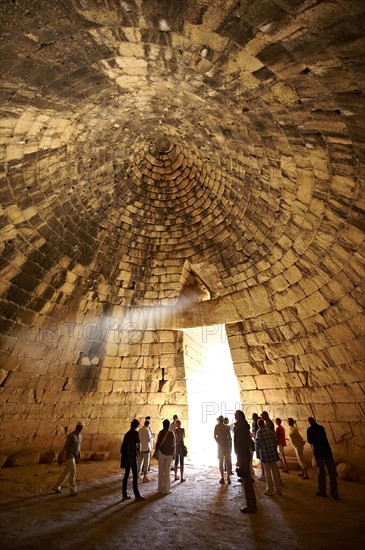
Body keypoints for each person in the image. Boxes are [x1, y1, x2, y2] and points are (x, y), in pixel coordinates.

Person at [307, 417, 338, 499]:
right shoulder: (321, 427)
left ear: (309, 422)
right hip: (327, 452)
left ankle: (322, 491)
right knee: (332, 473)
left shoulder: (309, 430)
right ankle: (334, 493)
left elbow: (310, 441)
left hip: (319, 453)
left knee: (321, 473)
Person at [53, 420, 84, 496]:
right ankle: (72, 490)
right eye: (81, 427)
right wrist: (61, 456)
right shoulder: (71, 435)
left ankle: (56, 487)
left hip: (75, 455)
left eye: (82, 428)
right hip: (70, 455)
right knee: (73, 471)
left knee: (66, 473)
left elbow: (79, 445)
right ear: (77, 427)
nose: (82, 429)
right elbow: (65, 446)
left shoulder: (80, 435)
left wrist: (79, 454)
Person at [234, 410, 257, 514]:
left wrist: (239, 457)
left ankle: (251, 505)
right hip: (244, 454)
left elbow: (241, 443)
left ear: (239, 415)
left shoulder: (241, 426)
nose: (234, 415)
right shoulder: (243, 425)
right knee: (246, 478)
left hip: (242, 455)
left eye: (236, 414)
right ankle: (252, 504)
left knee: (246, 479)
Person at [120, 419, 146, 502]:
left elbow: (122, 448)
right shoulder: (135, 433)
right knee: (135, 475)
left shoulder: (127, 434)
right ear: (137, 426)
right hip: (132, 457)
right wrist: (137, 455)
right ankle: (137, 495)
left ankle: (124, 494)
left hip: (127, 457)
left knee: (126, 475)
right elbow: (138, 445)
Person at [255, 419, 281, 496]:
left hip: (265, 455)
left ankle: (270, 490)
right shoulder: (269, 431)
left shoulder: (259, 432)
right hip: (273, 455)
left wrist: (255, 441)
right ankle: (278, 490)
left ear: (259, 425)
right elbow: (276, 441)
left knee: (267, 473)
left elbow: (258, 443)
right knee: (275, 472)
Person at [154, 419, 176, 495]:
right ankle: (167, 490)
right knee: (167, 472)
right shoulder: (171, 433)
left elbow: (157, 443)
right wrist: (173, 454)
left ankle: (160, 489)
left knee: (161, 471)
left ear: (163, 425)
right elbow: (174, 445)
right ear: (169, 425)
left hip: (161, 453)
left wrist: (155, 453)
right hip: (169, 454)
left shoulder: (160, 433)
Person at [214, 415, 232, 484]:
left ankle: (222, 478)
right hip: (226, 446)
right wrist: (226, 443)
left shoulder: (216, 426)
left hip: (220, 446)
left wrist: (219, 443)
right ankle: (228, 478)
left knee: (221, 462)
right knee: (227, 462)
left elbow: (215, 437)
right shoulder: (226, 427)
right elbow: (229, 437)